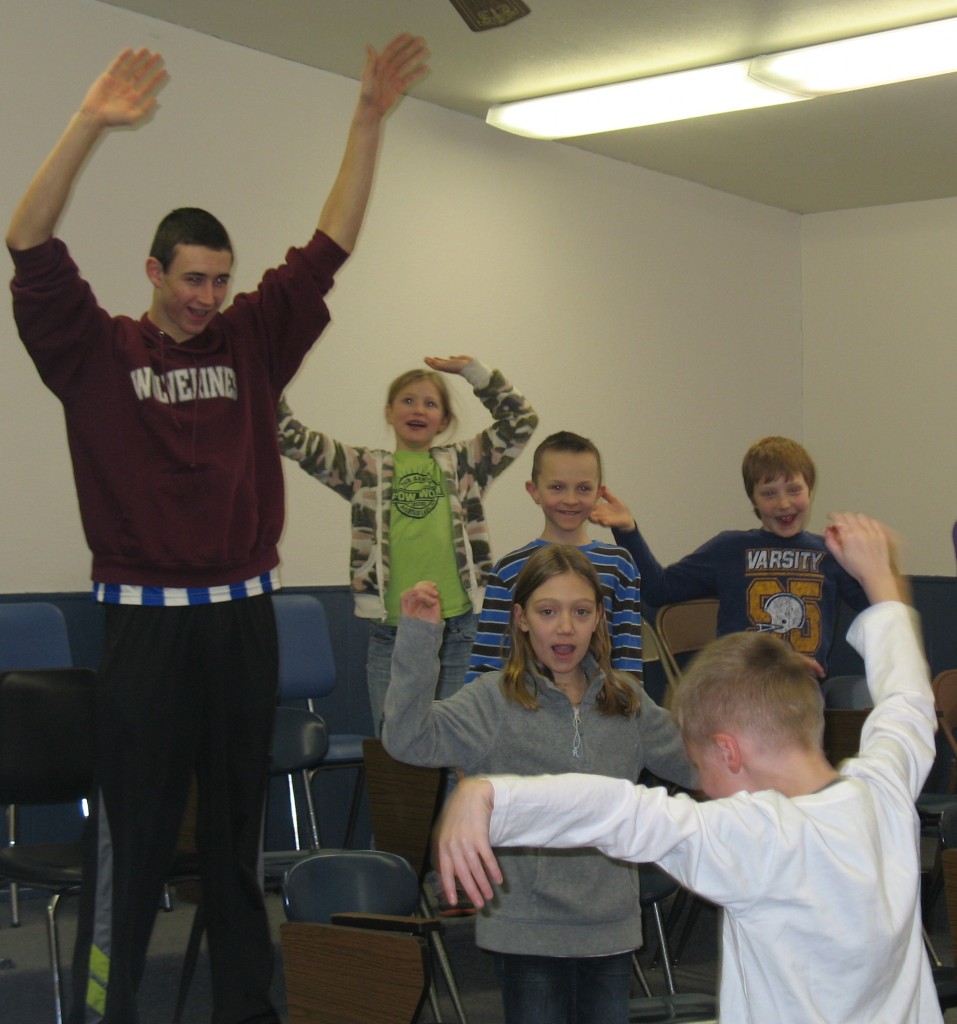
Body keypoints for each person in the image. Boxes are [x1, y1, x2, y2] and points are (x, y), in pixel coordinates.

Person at [6, 36, 427, 1024]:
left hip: (243, 621)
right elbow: (26, 239)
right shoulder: (96, 353)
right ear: (154, 271)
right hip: (145, 629)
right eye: (191, 278)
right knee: (135, 843)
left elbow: (331, 245)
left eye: (219, 281)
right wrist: (88, 124)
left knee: (234, 848)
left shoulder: (252, 339)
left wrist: (365, 120)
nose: (206, 297)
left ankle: (250, 1011)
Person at [436, 513, 943, 1024]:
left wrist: (488, 794)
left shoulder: (754, 837)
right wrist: (880, 582)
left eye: (700, 764)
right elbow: (907, 702)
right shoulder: (885, 792)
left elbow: (618, 810)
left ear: (728, 752)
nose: (702, 783)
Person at [383, 544, 696, 1024]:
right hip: (524, 931)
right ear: (522, 619)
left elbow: (699, 765)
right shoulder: (491, 700)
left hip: (608, 929)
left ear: (598, 620)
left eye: (581, 611)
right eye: (548, 611)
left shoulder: (627, 700)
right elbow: (407, 739)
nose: (565, 626)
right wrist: (420, 639)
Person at [277, 358, 537, 734]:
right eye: (408, 401)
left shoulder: (463, 464)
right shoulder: (362, 468)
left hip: (459, 632)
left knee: (458, 749)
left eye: (431, 404)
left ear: (444, 420)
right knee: (396, 753)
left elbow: (521, 421)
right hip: (392, 635)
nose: (419, 410)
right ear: (389, 411)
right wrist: (270, 365)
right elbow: (291, 436)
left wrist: (473, 372)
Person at [591, 435, 868, 678]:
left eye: (794, 489)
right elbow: (658, 589)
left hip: (802, 699)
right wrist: (628, 531)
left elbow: (877, 608)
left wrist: (869, 561)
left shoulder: (830, 554)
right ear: (753, 499)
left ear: (810, 489)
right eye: (769, 493)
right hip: (737, 692)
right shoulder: (729, 549)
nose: (784, 503)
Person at [467, 430, 642, 683]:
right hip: (526, 712)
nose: (570, 500)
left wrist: (628, 713)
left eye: (583, 488)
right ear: (534, 491)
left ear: (598, 493)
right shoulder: (508, 569)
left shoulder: (620, 565)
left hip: (601, 713)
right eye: (557, 487)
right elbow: (486, 666)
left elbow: (629, 661)